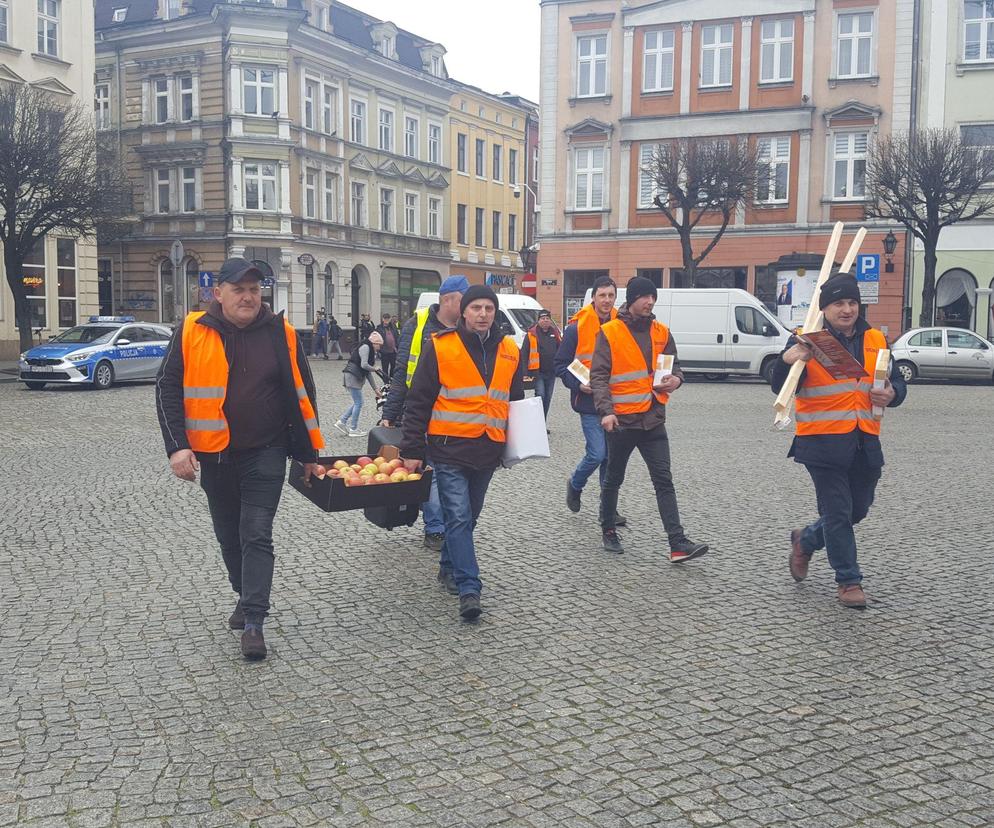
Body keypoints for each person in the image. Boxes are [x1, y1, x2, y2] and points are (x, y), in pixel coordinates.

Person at [155, 257, 323, 661]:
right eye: (239, 290)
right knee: (229, 536)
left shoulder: (281, 332)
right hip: (214, 455)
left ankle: (254, 622)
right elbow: (167, 389)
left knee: (256, 532)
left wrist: (308, 455)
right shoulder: (192, 330)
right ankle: (243, 594)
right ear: (219, 293)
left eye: (254, 289)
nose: (248, 297)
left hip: (267, 451)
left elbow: (304, 394)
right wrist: (178, 445)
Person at [771, 272, 906, 609]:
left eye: (852, 302)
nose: (846, 310)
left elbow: (898, 384)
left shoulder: (876, 338)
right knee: (838, 511)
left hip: (865, 440)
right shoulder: (805, 341)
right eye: (838, 303)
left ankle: (806, 540)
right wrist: (787, 360)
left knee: (856, 510)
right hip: (821, 443)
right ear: (825, 308)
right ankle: (848, 580)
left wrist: (892, 393)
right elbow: (779, 386)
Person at [400, 284, 524, 620]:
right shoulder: (440, 347)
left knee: (469, 517)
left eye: (488, 308)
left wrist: (519, 444)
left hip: (488, 449)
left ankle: (446, 567)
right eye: (476, 308)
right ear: (464, 312)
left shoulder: (510, 350)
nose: (483, 314)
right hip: (448, 447)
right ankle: (469, 588)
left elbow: (515, 403)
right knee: (457, 516)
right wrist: (411, 447)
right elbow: (419, 400)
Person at [590, 276, 708, 561]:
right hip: (621, 422)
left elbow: (676, 367)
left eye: (653, 297)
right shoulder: (610, 332)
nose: (650, 302)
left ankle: (677, 543)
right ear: (631, 300)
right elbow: (599, 376)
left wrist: (676, 381)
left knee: (664, 480)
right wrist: (606, 412)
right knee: (614, 478)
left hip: (653, 418)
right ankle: (608, 529)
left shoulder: (662, 332)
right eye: (644, 297)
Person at [381, 275, 468, 560]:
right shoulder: (417, 325)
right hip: (419, 411)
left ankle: (449, 524)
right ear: (447, 300)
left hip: (456, 415)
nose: (469, 304)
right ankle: (435, 528)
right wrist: (389, 414)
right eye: (463, 298)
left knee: (450, 472)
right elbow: (402, 368)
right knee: (430, 472)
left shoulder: (467, 329)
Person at [554, 276, 626, 527]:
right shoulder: (576, 328)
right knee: (597, 454)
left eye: (611, 296)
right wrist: (578, 385)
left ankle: (608, 510)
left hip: (616, 401)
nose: (607, 300)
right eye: (602, 295)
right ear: (593, 297)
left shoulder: (621, 324)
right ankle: (575, 484)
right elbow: (560, 365)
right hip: (588, 402)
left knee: (611, 459)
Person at [336, 331, 383, 437]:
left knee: (358, 402)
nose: (379, 347)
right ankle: (353, 429)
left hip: (354, 376)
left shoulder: (369, 350)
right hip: (352, 376)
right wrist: (374, 368)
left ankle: (342, 422)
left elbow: (367, 373)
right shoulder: (366, 347)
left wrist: (375, 389)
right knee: (359, 402)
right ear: (374, 343)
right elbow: (364, 365)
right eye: (379, 345)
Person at [520, 309, 561, 423]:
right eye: (543, 319)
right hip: (537, 372)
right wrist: (524, 372)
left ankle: (542, 423)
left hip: (551, 373)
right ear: (538, 320)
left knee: (547, 399)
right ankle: (536, 422)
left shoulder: (555, 333)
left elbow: (560, 350)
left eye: (547, 319)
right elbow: (524, 353)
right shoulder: (531, 334)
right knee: (540, 396)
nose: (545, 321)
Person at [376, 312, 399, 381]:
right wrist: (379, 350)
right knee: (385, 368)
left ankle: (392, 379)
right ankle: (385, 381)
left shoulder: (393, 327)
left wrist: (397, 346)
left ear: (390, 319)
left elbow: (397, 336)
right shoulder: (379, 328)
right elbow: (377, 339)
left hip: (393, 351)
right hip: (384, 351)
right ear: (382, 319)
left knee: (394, 366)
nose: (386, 320)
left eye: (388, 319)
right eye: (385, 319)